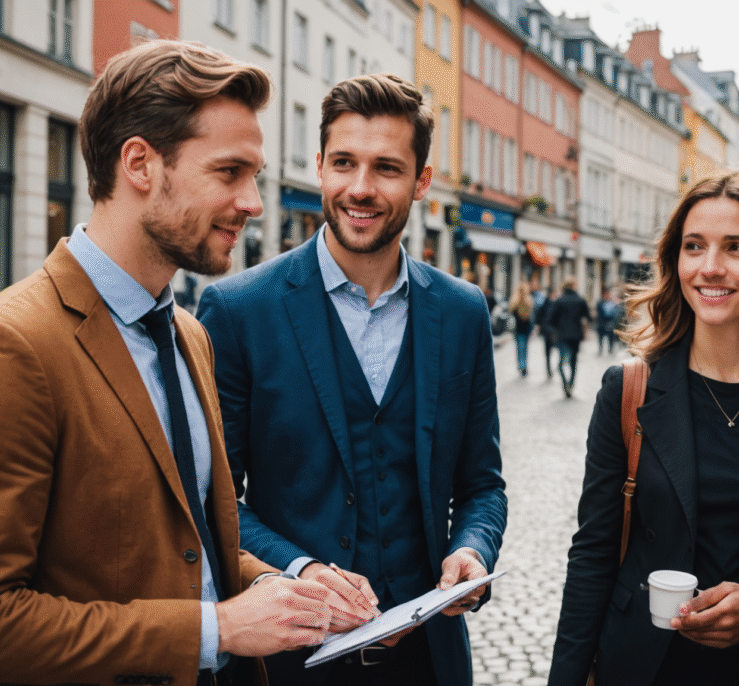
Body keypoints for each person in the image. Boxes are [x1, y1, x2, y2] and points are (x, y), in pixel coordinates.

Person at [0, 40, 342, 686]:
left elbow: (186, 545)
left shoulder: (190, 336)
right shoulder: (6, 348)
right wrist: (219, 630)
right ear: (140, 164)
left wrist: (294, 585)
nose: (253, 203)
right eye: (230, 173)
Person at [196, 73, 507, 686]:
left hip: (428, 663)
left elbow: (482, 483)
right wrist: (300, 567)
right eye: (344, 163)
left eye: (386, 169)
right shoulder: (238, 311)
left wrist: (473, 548)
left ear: (421, 182)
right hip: (288, 666)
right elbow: (216, 502)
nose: (359, 189)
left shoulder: (462, 309)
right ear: (318, 166)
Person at [548, 172, 739, 686]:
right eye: (694, 246)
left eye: (737, 248)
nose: (711, 268)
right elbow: (594, 555)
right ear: (675, 259)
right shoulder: (629, 391)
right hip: (645, 668)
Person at [547, 278, 591, 397]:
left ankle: (565, 383)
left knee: (561, 362)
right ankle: (571, 384)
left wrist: (555, 330)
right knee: (573, 361)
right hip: (576, 335)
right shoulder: (580, 300)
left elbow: (550, 320)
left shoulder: (559, 300)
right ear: (575, 286)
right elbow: (588, 316)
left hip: (562, 335)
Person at [509, 282, 534, 376]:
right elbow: (531, 315)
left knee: (519, 347)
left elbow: (511, 312)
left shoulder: (514, 301)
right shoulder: (529, 300)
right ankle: (524, 366)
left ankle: (521, 365)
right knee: (525, 348)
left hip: (518, 328)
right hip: (526, 328)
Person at [535, 284, 558, 378]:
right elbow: (539, 316)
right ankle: (549, 368)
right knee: (548, 351)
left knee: (550, 350)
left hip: (551, 331)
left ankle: (552, 368)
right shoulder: (550, 303)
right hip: (549, 331)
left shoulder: (553, 303)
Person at [594, 288, 620, 354]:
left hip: (609, 322)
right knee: (600, 337)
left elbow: (616, 313)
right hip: (601, 322)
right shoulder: (600, 303)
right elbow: (598, 312)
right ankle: (600, 350)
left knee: (610, 337)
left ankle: (610, 349)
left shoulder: (612, 303)